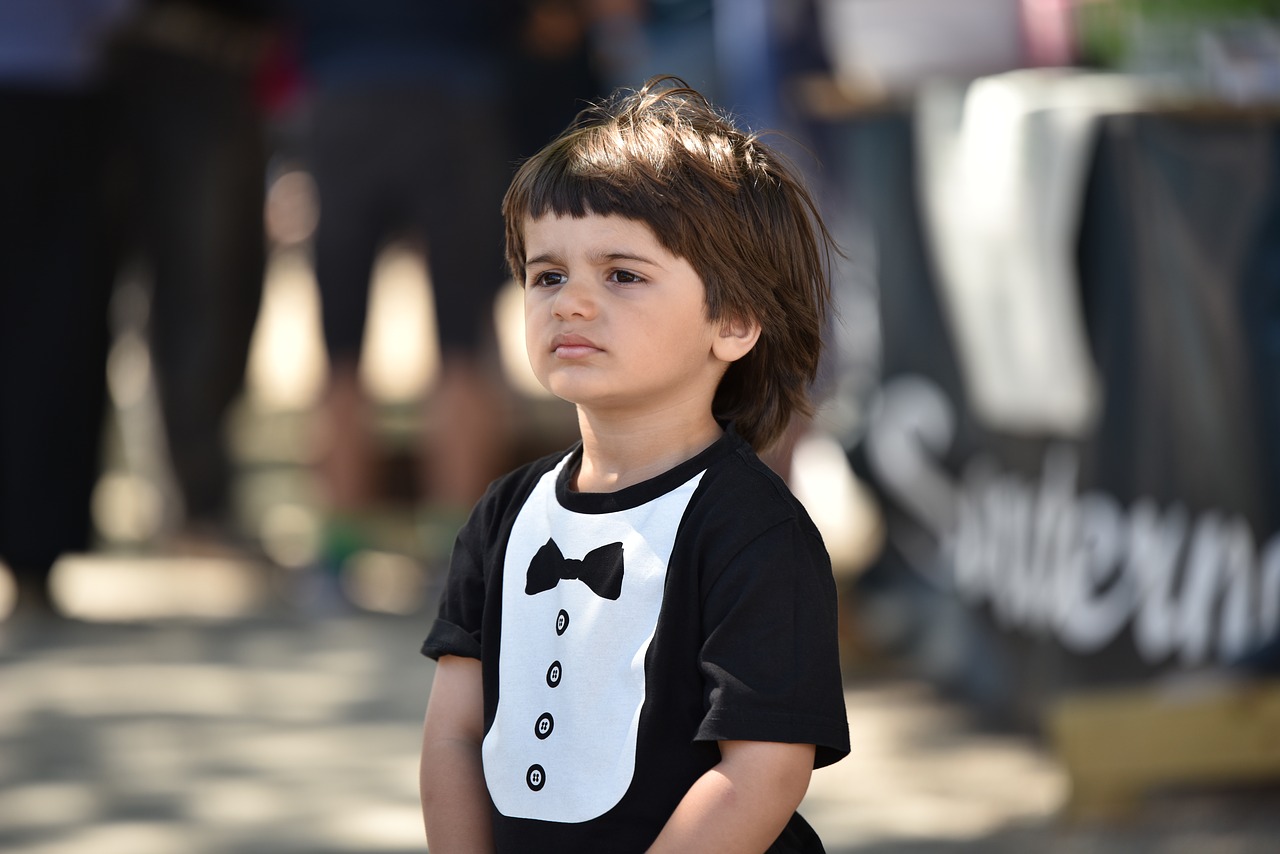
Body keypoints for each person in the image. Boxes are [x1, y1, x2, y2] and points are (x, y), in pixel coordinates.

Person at [418, 78, 850, 853]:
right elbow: (454, 733)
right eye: (547, 274)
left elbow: (763, 771)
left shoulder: (754, 531)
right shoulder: (504, 514)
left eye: (622, 274)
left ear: (735, 320)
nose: (571, 303)